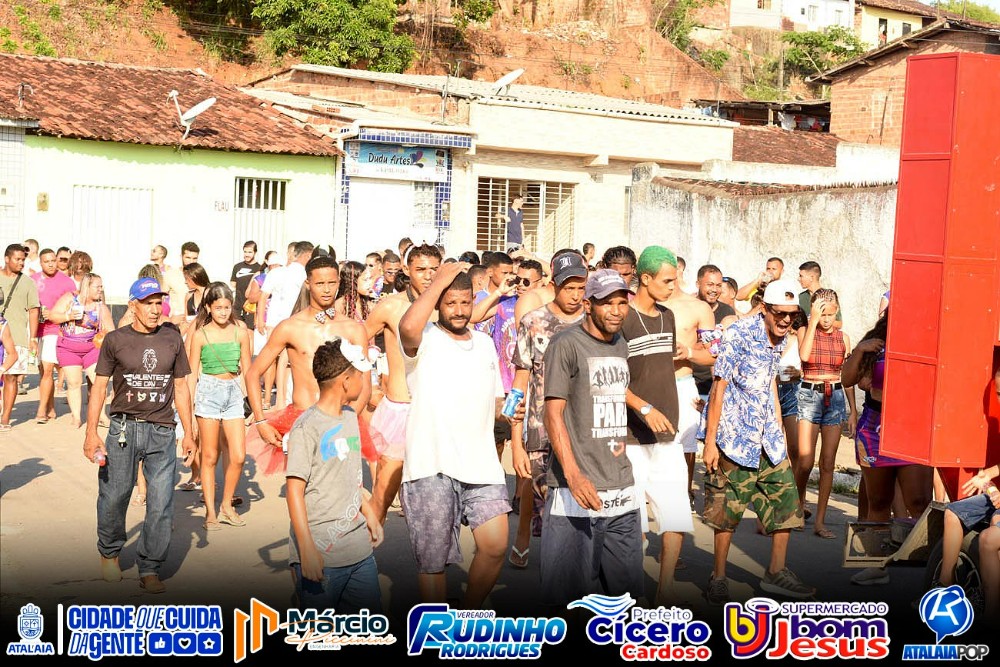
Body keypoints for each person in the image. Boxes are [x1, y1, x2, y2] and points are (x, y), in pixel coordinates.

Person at [397, 262, 511, 607]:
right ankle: (438, 627)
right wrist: (439, 282)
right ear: (437, 304)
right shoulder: (423, 339)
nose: (460, 311)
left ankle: (468, 613)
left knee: (495, 546)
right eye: (451, 303)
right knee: (434, 562)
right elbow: (407, 326)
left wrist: (510, 412)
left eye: (465, 302)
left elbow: (496, 402)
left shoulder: (485, 343)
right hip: (431, 464)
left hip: (482, 464)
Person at [702, 278, 816, 603]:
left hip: (768, 437)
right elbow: (719, 387)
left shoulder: (781, 338)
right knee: (726, 510)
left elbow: (770, 384)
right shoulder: (738, 335)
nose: (786, 320)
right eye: (780, 313)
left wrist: (779, 430)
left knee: (787, 503)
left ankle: (776, 572)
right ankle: (718, 577)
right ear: (764, 308)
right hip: (735, 437)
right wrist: (710, 442)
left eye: (792, 315)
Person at [83, 278, 196, 594]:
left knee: (161, 501)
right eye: (148, 303)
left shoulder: (172, 339)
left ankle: (150, 567)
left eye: (159, 303)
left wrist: (189, 432)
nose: (155, 309)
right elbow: (99, 388)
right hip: (123, 428)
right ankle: (109, 551)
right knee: (115, 495)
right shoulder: (115, 340)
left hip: (162, 430)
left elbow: (182, 388)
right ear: (133, 305)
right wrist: (91, 434)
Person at [540, 268, 642, 607]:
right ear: (588, 305)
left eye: (622, 302)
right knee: (567, 599)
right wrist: (573, 475)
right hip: (576, 491)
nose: (616, 311)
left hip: (621, 489)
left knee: (626, 599)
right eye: (606, 303)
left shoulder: (621, 344)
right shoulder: (565, 344)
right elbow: (553, 414)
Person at [286, 338, 384, 612]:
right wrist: (306, 549)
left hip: (359, 550)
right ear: (346, 381)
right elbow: (294, 491)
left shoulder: (351, 417)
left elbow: (350, 476)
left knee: (368, 626)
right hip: (321, 553)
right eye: (361, 375)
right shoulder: (306, 428)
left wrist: (369, 512)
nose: (365, 381)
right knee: (321, 630)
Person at [621, 247, 693, 604]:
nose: (672, 286)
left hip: (668, 435)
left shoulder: (667, 316)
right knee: (632, 525)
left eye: (675, 280)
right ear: (645, 279)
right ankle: (629, 596)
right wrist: (643, 407)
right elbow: (610, 378)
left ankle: (665, 593)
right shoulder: (622, 319)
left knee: (676, 514)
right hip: (630, 438)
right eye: (667, 280)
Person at [508, 252, 588, 567]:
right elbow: (519, 382)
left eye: (581, 288)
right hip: (540, 430)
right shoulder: (533, 322)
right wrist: (516, 442)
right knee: (542, 491)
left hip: (582, 429)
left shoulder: (592, 322)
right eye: (569, 288)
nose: (576, 296)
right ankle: (525, 536)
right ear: (554, 285)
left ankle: (567, 563)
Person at [842, 311, 932, 586]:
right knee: (878, 501)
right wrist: (860, 350)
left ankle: (933, 572)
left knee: (919, 501)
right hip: (874, 429)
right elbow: (847, 379)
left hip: (912, 428)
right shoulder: (875, 342)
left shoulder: (927, 341)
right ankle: (875, 566)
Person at [246, 255, 370, 448]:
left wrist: (346, 423)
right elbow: (253, 373)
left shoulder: (353, 329)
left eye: (331, 283)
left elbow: (365, 385)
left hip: (342, 420)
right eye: (320, 283)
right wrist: (261, 422)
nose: (327, 289)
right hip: (301, 419)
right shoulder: (290, 327)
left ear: (339, 282)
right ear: (308, 284)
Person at [364, 244, 442, 523]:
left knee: (434, 498)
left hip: (434, 410)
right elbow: (358, 341)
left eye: (434, 269)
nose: (428, 275)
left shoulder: (445, 306)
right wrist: (370, 384)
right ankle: (364, 545)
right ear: (407, 270)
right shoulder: (391, 306)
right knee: (383, 494)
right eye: (421, 269)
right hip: (398, 408)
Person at [187, 283, 252, 531]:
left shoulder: (240, 333)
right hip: (208, 393)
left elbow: (248, 370)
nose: (223, 312)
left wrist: (253, 404)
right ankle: (211, 513)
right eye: (218, 308)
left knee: (238, 455)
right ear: (208, 308)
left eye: (227, 307)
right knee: (210, 455)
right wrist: (189, 410)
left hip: (234, 393)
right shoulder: (200, 335)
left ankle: (226, 504)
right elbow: (192, 374)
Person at [793, 288, 856, 540]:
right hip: (809, 393)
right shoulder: (805, 331)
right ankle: (798, 507)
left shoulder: (844, 338)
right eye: (822, 314)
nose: (826, 319)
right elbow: (804, 356)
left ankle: (820, 521)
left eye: (830, 314)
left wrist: (852, 410)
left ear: (836, 311)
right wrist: (812, 322)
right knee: (805, 461)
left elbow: (847, 377)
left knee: (828, 462)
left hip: (836, 396)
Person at [49, 273, 115, 427]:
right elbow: (53, 316)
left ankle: (101, 415)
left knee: (99, 382)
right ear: (87, 286)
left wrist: (103, 333)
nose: (100, 289)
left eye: (101, 286)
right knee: (74, 383)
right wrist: (68, 316)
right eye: (97, 286)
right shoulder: (70, 299)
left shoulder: (101, 307)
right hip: (68, 347)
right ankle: (76, 417)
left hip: (92, 348)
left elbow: (112, 331)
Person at [32, 248, 76, 424]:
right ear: (41, 263)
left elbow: (73, 306)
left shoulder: (67, 282)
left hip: (55, 329)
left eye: (53, 261)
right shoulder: (33, 280)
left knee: (48, 369)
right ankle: (50, 407)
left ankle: (41, 411)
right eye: (46, 261)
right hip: (36, 330)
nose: (51, 264)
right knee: (43, 371)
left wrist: (58, 315)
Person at [0, 243, 40, 431]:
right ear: (7, 259)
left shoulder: (28, 283)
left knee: (11, 378)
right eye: (17, 259)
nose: (21, 263)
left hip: (17, 337)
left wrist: (33, 338)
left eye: (23, 260)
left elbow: (33, 310)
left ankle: (5, 418)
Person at [797, 261, 842, 328]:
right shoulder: (800, 297)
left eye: (801, 276)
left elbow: (839, 324)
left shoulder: (829, 296)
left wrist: (815, 320)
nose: (798, 279)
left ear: (811, 277)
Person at [162, 242, 200, 315]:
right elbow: (161, 299)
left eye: (194, 258)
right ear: (181, 257)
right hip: (177, 319)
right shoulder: (170, 274)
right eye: (188, 258)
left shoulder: (200, 275)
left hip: (196, 318)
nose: (191, 261)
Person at [230, 241, 261, 330]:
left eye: (250, 252)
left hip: (251, 307)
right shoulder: (237, 266)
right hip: (237, 307)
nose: (247, 254)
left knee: (249, 331)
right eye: (245, 252)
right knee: (237, 331)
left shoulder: (259, 268)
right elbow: (233, 284)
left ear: (255, 252)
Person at [335, 261, 375, 326]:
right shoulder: (339, 306)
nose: (370, 283)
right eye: (365, 280)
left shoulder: (370, 305)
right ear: (353, 282)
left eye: (370, 279)